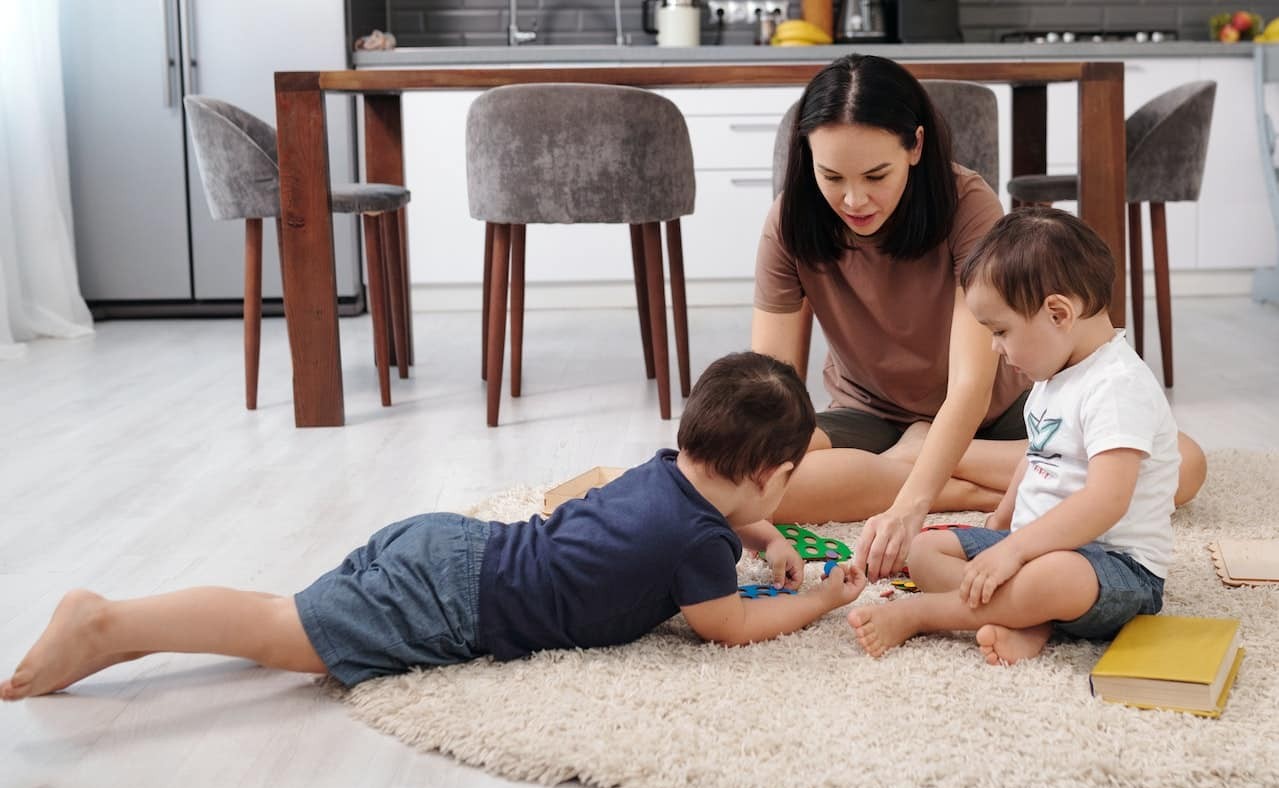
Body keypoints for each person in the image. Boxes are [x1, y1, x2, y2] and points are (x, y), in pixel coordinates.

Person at [0, 352, 867, 701]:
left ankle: (125, 636)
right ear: (772, 474)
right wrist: (822, 600)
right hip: (456, 601)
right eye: (782, 496)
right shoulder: (698, 544)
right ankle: (109, 620)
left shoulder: (665, 473)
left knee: (291, 606)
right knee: (281, 633)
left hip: (452, 543)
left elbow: (723, 513)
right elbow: (731, 625)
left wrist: (770, 538)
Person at [747, 53, 1207, 582]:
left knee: (1183, 465)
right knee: (760, 479)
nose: (854, 199)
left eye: (876, 175)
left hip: (992, 408)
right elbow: (770, 387)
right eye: (831, 176)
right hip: (868, 412)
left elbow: (968, 386)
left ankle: (937, 459)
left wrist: (910, 504)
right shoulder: (789, 222)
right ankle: (983, 475)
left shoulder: (966, 203)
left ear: (915, 146)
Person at [847, 207, 1179, 664]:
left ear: (1058, 313)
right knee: (925, 550)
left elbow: (1106, 501)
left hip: (1114, 567)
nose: (993, 347)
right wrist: (1002, 524)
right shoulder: (1051, 375)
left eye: (1001, 330)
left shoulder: (1117, 386)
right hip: (1035, 545)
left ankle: (926, 613)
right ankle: (1027, 617)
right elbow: (1037, 457)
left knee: (1056, 576)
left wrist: (1015, 550)